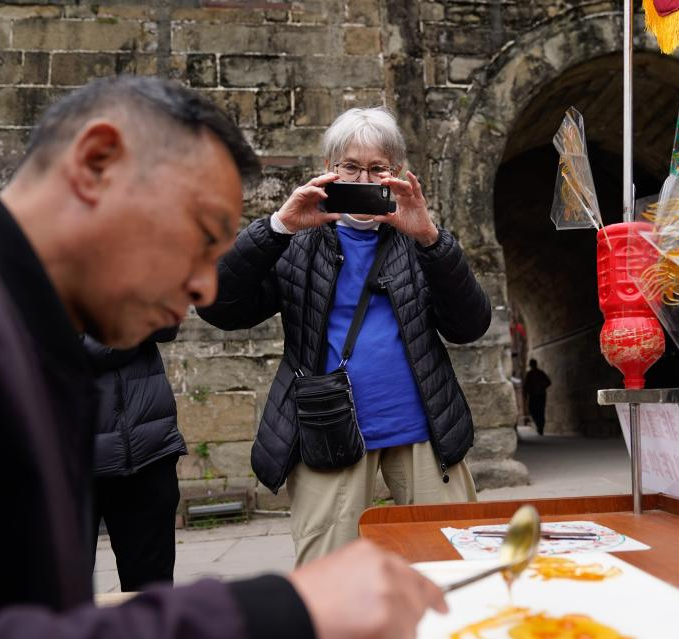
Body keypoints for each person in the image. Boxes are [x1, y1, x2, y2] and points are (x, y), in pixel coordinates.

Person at [0, 76, 445, 639]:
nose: (204, 288)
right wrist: (277, 619)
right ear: (97, 163)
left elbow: (20, 623)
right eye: (201, 234)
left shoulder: (15, 331)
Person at [198, 107, 488, 564]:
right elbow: (217, 306)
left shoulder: (419, 239)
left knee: (451, 563)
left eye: (377, 168)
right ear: (328, 169)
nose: (362, 179)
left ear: (396, 173)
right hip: (328, 429)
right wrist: (277, 228)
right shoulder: (297, 242)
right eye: (350, 167)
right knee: (328, 574)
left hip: (422, 429)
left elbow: (470, 327)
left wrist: (431, 240)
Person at [84, 326, 185, 591]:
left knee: (152, 599)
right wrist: (129, 328)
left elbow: (167, 317)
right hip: (64, 462)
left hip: (147, 453)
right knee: (58, 601)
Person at [523, 359, 552, 436]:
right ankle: (539, 425)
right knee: (534, 410)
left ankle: (540, 426)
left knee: (539, 411)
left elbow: (548, 382)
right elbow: (526, 385)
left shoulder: (539, 373)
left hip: (539, 395)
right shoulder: (530, 374)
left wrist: (541, 386)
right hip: (535, 395)